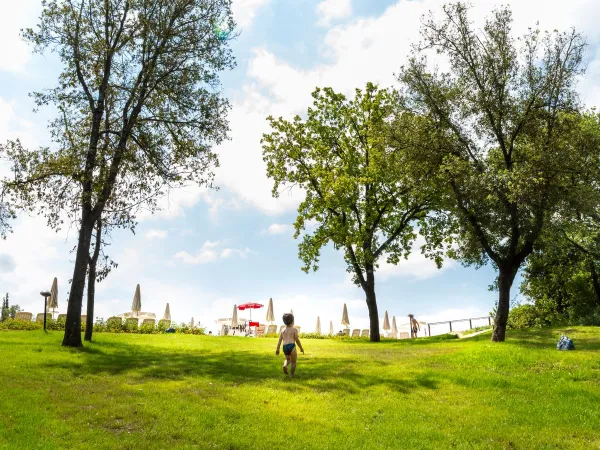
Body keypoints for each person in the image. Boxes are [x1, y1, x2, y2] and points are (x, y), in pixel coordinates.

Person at [275, 313, 304, 377]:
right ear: (293, 321)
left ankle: (285, 365)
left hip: (285, 347)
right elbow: (297, 340)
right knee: (293, 362)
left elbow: (279, 340)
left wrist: (277, 349)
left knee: (288, 359)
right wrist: (301, 348)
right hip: (292, 346)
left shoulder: (283, 330)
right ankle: (291, 375)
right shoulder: (294, 330)